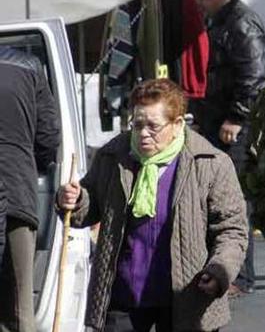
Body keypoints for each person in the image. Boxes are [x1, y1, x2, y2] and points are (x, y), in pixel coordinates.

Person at [57, 79, 248, 332]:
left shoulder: (211, 163)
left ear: (178, 124)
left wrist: (220, 271)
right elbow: (90, 205)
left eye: (153, 126)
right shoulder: (113, 156)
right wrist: (75, 199)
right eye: (137, 124)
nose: (143, 133)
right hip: (123, 295)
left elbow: (231, 230)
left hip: (187, 298)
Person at [190, 0, 265, 297]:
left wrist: (237, 116)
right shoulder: (219, 19)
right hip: (215, 119)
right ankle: (222, 269)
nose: (199, 4)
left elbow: (253, 74)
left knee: (234, 200)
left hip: (232, 124)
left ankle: (240, 275)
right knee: (215, 196)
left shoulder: (241, 23)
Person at [0, 46, 59, 332]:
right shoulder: (29, 66)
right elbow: (49, 137)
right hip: (15, 189)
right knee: (20, 308)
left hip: (15, 186)